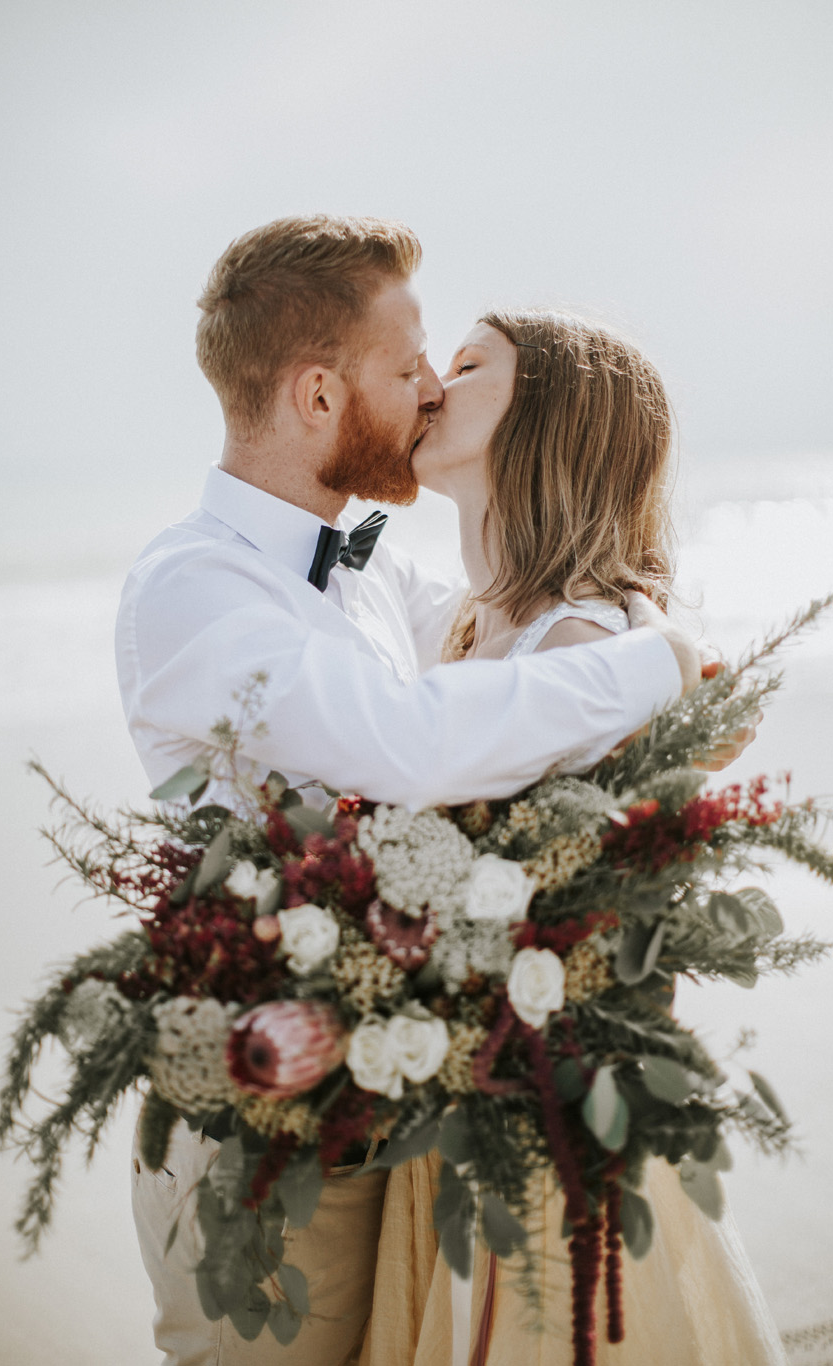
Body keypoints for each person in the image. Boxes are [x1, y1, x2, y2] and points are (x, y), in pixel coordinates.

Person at [115, 215, 742, 1366]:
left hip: (396, 1115)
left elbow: (507, 634)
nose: (428, 394)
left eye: (449, 369)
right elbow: (409, 740)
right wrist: (660, 659)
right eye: (409, 370)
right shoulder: (194, 591)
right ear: (315, 396)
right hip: (254, 1112)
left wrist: (640, 619)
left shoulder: (368, 574)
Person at [357, 309, 786, 1365]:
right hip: (464, 1102)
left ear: (545, 419)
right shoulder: (475, 619)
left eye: (464, 368)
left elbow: (599, 913)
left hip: (543, 1132)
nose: (428, 383)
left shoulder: (586, 639)